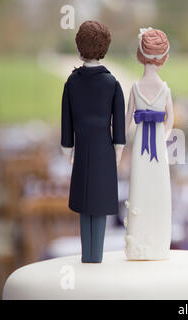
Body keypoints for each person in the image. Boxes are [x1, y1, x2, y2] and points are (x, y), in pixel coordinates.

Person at [61, 21, 126, 263]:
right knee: (97, 201)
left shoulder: (72, 82)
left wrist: (67, 146)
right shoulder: (111, 83)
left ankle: (88, 254)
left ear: (80, 47)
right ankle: (95, 255)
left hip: (81, 146)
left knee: (85, 201)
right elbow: (118, 120)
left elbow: (66, 117)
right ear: (104, 48)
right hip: (103, 148)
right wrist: (118, 147)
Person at [124, 27, 174, 260]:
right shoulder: (165, 89)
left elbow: (126, 123)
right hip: (157, 147)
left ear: (140, 55)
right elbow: (170, 122)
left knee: (146, 188)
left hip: (143, 146)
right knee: (151, 189)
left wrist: (118, 146)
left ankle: (148, 243)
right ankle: (149, 244)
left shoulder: (135, 88)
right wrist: (161, 140)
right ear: (163, 58)